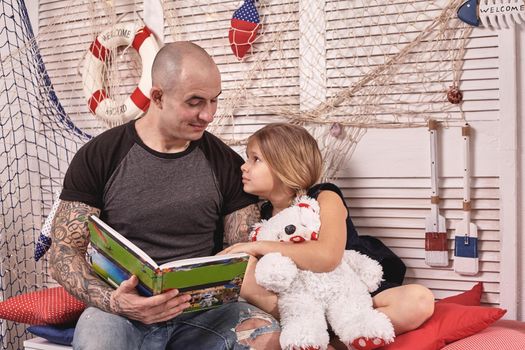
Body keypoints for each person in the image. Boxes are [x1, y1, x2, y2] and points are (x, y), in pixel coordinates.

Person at [48, 42, 281, 350]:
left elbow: (241, 253)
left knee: (267, 334)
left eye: (214, 101)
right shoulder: (100, 156)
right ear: (157, 96)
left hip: (203, 314)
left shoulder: (224, 162)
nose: (208, 115)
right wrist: (116, 302)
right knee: (97, 340)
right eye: (195, 102)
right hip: (121, 313)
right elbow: (64, 252)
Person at [221, 123, 435, 349]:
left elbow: (327, 258)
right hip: (301, 303)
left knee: (419, 300)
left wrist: (259, 247)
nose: (243, 167)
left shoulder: (325, 197)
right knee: (240, 269)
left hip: (348, 292)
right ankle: (310, 334)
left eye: (255, 159)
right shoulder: (262, 216)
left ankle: (343, 339)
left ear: (284, 165)